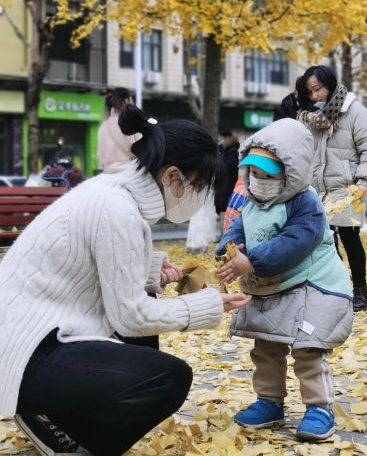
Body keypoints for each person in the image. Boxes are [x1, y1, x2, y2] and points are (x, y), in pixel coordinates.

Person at [0, 105, 250, 456]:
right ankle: (72, 435)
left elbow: (82, 259)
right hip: (23, 354)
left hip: (29, 339)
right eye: (199, 186)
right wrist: (205, 305)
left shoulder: (112, 191)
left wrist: (149, 271)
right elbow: (130, 317)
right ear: (172, 177)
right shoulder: (116, 209)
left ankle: (53, 413)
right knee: (170, 378)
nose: (200, 197)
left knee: (145, 338)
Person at [215, 118, 353, 442]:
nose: (259, 181)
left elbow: (294, 242)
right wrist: (227, 249)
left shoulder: (306, 203)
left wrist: (252, 260)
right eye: (254, 174)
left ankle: (319, 408)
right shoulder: (253, 202)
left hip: (315, 285)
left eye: (268, 175)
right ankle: (269, 402)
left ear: (291, 173)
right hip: (275, 285)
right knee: (266, 345)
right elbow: (238, 228)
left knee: (308, 349)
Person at [295, 65, 367, 312]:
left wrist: (364, 181)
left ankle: (360, 290)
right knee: (325, 241)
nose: (315, 96)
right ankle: (338, 287)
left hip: (348, 188)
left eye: (318, 89)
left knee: (350, 239)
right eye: (310, 91)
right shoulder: (308, 117)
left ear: (330, 85)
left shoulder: (354, 111)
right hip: (317, 189)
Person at [97, 87, 138, 170]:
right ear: (126, 100)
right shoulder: (132, 123)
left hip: (108, 174)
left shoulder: (103, 126)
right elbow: (139, 151)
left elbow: (100, 157)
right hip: (129, 173)